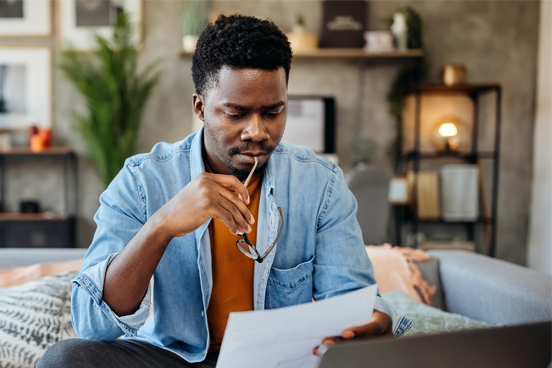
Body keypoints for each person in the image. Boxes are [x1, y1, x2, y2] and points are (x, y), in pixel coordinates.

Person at [37, 14, 411, 368]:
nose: (257, 131)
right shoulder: (142, 180)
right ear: (200, 107)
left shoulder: (321, 184)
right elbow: (92, 323)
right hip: (175, 358)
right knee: (65, 360)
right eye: (236, 113)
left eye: (273, 112)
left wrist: (370, 321)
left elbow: (349, 300)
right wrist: (162, 225)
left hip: (277, 361)